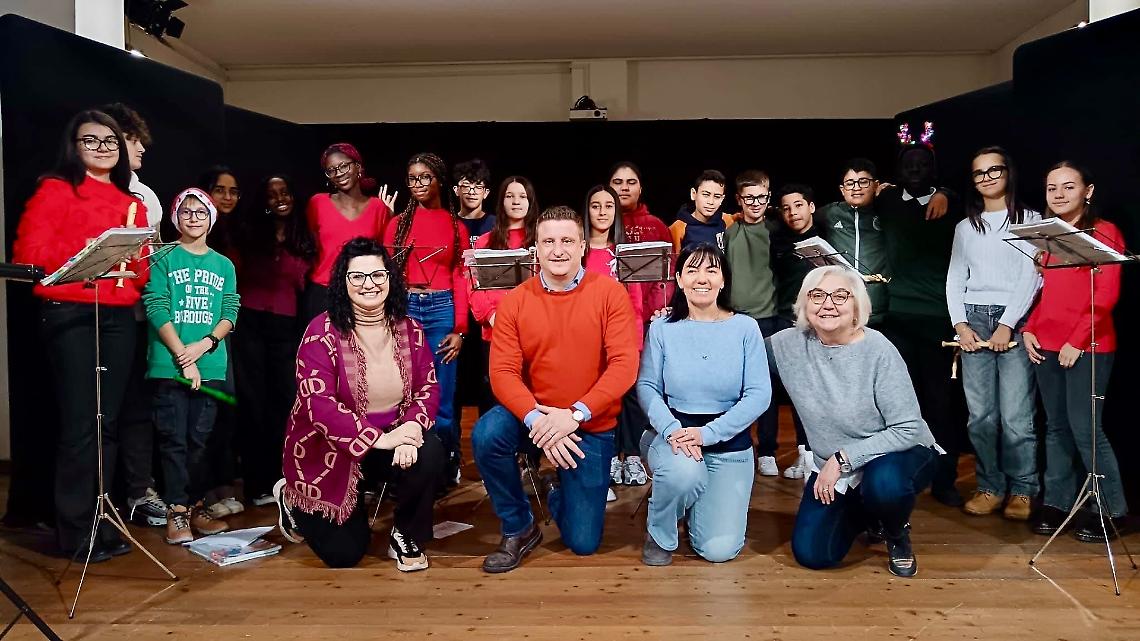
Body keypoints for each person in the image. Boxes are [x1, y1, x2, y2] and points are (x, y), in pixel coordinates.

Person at [471, 205, 639, 573]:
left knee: (583, 543)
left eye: (567, 240)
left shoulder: (610, 294)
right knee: (487, 434)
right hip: (535, 416)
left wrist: (574, 414)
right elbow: (501, 372)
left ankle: (556, 488)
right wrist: (537, 420)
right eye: (548, 241)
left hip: (588, 424)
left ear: (583, 247)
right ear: (536, 249)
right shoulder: (516, 300)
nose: (557, 250)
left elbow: (625, 367)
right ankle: (519, 525)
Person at [13, 109, 149, 561]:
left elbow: (142, 269)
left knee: (105, 424)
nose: (102, 148)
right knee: (79, 425)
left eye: (110, 141)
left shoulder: (133, 202)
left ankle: (103, 522)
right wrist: (96, 250)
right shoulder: (55, 189)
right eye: (91, 141)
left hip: (117, 317)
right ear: (74, 146)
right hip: (71, 312)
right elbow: (31, 254)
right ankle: (75, 532)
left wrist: (136, 259)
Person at [273, 238, 444, 570]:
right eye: (358, 277)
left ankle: (405, 531)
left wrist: (410, 427)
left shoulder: (411, 330)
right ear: (344, 282)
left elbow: (428, 387)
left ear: (390, 279)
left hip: (394, 437)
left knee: (432, 451)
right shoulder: (319, 333)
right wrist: (381, 439)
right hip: (330, 450)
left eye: (378, 275)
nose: (370, 284)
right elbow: (318, 404)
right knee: (344, 555)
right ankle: (292, 500)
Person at [771, 265, 941, 577]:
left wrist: (843, 458)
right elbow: (735, 348)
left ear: (857, 307)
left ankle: (895, 531)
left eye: (840, 295)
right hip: (837, 467)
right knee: (813, 554)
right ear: (804, 304)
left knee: (885, 485)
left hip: (897, 453)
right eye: (818, 295)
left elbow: (907, 428)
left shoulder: (878, 351)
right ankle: (869, 513)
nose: (828, 304)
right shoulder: (787, 344)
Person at [637, 244, 770, 565]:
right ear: (679, 280)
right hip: (675, 438)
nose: (702, 278)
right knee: (684, 475)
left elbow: (759, 394)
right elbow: (647, 387)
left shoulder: (745, 328)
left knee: (718, 551)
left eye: (712, 270)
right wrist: (671, 430)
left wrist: (707, 434)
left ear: (723, 280)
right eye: (693, 270)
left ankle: (692, 502)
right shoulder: (662, 328)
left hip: (729, 445)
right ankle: (661, 529)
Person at [1024, 161, 1129, 541]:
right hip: (1047, 345)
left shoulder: (1104, 233)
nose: (1059, 194)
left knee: (1087, 430)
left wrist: (1077, 341)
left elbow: (1106, 297)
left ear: (1088, 190)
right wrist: (1029, 329)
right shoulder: (1049, 236)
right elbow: (1048, 296)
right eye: (1052, 187)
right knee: (1055, 428)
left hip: (1088, 346)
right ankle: (1057, 501)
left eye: (1068, 186)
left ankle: (1112, 508)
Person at [946, 146, 1040, 521]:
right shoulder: (966, 227)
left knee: (1016, 415)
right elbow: (956, 277)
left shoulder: (1031, 220)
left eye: (993, 170)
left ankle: (1023, 490)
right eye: (978, 173)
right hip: (973, 320)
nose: (986, 178)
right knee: (980, 416)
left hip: (1013, 321)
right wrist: (960, 325)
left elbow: (1031, 276)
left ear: (1008, 172)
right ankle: (990, 486)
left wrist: (1007, 324)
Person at [143, 188, 240, 543]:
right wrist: (183, 357)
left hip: (210, 364)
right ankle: (177, 513)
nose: (194, 217)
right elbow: (155, 306)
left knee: (200, 441)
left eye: (201, 212)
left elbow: (230, 311)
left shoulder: (223, 264)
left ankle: (195, 507)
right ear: (176, 217)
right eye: (186, 211)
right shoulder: (164, 257)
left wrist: (203, 345)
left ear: (211, 218)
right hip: (169, 366)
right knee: (173, 441)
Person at [878, 144, 966, 508]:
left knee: (941, 405)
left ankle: (944, 478)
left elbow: (971, 193)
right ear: (898, 169)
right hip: (895, 318)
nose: (915, 170)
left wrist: (947, 192)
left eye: (923, 164)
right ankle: (902, 476)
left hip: (938, 319)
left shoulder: (953, 206)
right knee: (897, 405)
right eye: (908, 164)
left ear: (934, 169)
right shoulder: (886, 202)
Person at [99, 102, 168, 527]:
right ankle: (98, 499)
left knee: (139, 409)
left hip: (141, 317)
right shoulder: (90, 188)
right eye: (132, 139)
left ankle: (139, 491)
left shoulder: (147, 195)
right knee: (102, 408)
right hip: (102, 313)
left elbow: (155, 252)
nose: (140, 146)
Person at [384, 153, 470, 486]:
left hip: (441, 308)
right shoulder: (397, 224)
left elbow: (462, 276)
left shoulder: (455, 225)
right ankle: (406, 470)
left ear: (439, 180)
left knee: (442, 396)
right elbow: (385, 276)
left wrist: (460, 329)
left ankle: (444, 466)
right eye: (412, 178)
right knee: (404, 391)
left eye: (425, 177)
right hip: (406, 306)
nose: (418, 184)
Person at [231, 174, 315, 507]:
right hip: (250, 322)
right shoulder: (250, 234)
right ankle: (256, 482)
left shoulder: (303, 236)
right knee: (254, 403)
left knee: (285, 403)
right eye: (272, 194)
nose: (280, 198)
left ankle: (285, 478)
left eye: (285, 192)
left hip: (286, 325)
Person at [583, 185, 648, 493]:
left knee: (630, 399)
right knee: (602, 400)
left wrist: (635, 344)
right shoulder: (579, 252)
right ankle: (607, 458)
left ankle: (632, 455)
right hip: (589, 342)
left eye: (608, 206)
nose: (602, 212)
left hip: (622, 340)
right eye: (596, 206)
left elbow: (636, 302)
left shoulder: (623, 252)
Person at [723, 170, 782, 476]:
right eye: (749, 197)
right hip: (736, 320)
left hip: (769, 318)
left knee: (766, 385)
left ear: (768, 197)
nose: (756, 203)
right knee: (735, 387)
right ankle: (738, 442)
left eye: (762, 197)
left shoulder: (776, 231)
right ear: (739, 200)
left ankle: (769, 449)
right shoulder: (731, 233)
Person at [467, 176, 539, 413]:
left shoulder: (542, 241)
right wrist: (491, 316)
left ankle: (527, 450)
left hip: (535, 331)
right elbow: (473, 285)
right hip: (495, 330)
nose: (516, 201)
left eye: (522, 196)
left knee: (532, 393)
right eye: (510, 196)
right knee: (495, 396)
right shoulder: (486, 242)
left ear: (530, 202)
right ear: (501, 202)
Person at [303, 143, 396, 323]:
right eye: (331, 170)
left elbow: (384, 255)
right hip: (323, 292)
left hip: (364, 292)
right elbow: (306, 244)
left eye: (344, 166)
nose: (339, 173)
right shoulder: (318, 203)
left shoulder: (378, 207)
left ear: (358, 167)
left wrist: (391, 218)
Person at [770, 183, 820, 479]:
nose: (793, 212)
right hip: (785, 320)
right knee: (795, 391)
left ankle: (817, 455)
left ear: (811, 206)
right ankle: (803, 453)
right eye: (786, 207)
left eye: (799, 205)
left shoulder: (827, 235)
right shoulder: (777, 239)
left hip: (820, 323)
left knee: (818, 392)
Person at [817, 158, 889, 326]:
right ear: (842, 189)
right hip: (841, 308)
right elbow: (800, 216)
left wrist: (943, 193)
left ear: (876, 185)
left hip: (879, 308)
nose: (856, 188)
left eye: (863, 182)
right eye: (850, 183)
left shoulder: (889, 210)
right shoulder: (831, 213)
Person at [453, 158, 497, 418]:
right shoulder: (447, 222)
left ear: (486, 193)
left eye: (478, 186)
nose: (471, 191)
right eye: (466, 185)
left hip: (487, 308)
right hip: (456, 305)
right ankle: (452, 453)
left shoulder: (494, 225)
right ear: (456, 189)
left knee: (487, 377)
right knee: (456, 378)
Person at [610, 161, 672, 320]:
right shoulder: (596, 224)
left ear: (640, 189)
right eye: (618, 182)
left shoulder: (656, 226)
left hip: (648, 317)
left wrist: (645, 310)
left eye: (631, 182)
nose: (624, 188)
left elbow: (668, 276)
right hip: (604, 314)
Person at [668, 170, 733, 253]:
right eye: (706, 195)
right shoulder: (679, 228)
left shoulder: (727, 221)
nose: (711, 202)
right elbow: (673, 262)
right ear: (693, 194)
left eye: (717, 196)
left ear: (722, 199)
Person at [197, 165, 241, 257]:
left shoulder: (240, 230)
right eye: (219, 191)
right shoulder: (193, 227)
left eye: (233, 192)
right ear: (205, 192)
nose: (228, 197)